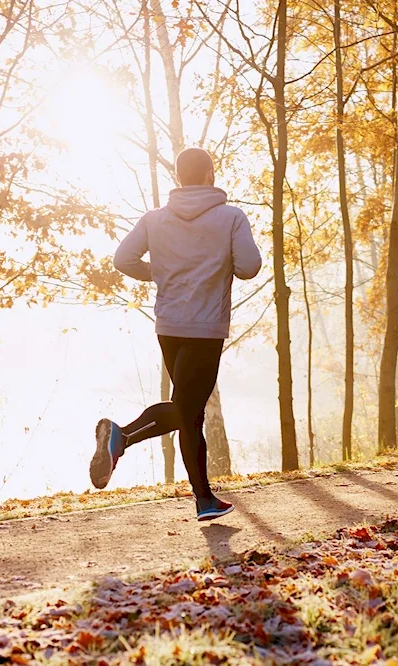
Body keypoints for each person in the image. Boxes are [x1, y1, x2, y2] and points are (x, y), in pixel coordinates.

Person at [89, 147, 262, 521]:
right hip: (205, 327)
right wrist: (218, 263)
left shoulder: (155, 219)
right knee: (188, 408)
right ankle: (123, 436)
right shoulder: (231, 217)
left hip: (168, 325)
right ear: (210, 175)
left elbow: (123, 260)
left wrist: (163, 272)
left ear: (180, 178)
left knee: (189, 412)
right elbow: (249, 267)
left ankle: (205, 500)